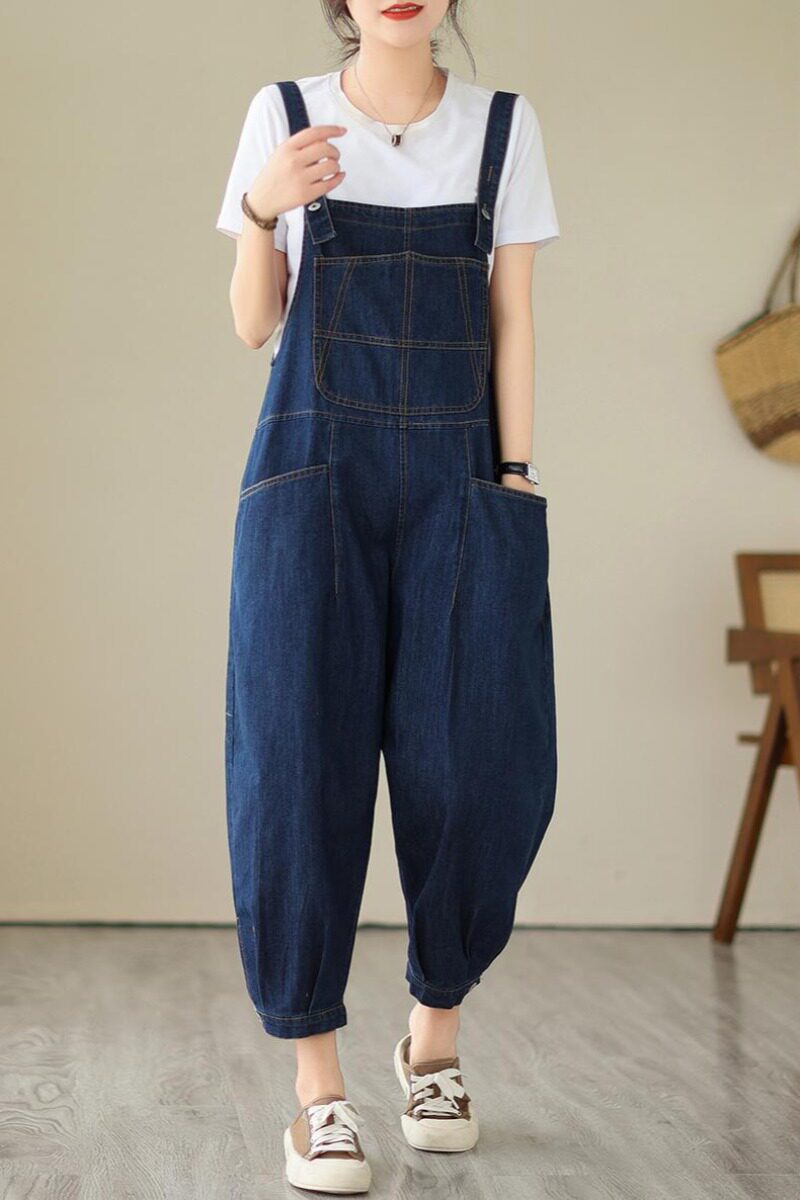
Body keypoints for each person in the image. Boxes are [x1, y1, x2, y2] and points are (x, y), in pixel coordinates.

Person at [215, 1, 559, 1191]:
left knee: (474, 760)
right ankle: (317, 1089)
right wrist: (261, 206)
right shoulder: (285, 116)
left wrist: (513, 473)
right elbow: (254, 326)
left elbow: (512, 316)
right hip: (309, 479)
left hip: (463, 484)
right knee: (294, 767)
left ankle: (434, 1042)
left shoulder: (502, 130)